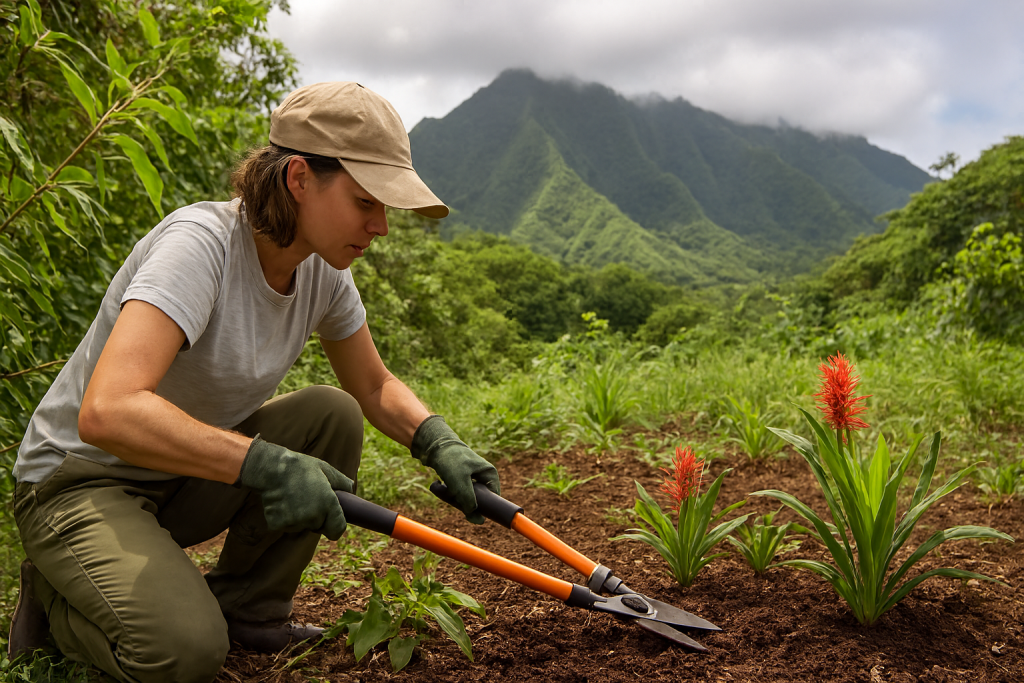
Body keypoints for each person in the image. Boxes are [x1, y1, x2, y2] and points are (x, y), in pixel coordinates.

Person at [6, 81, 500, 682]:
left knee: (331, 413)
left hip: (179, 476)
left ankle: (249, 609)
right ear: (299, 179)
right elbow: (107, 412)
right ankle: (56, 608)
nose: (381, 227)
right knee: (183, 653)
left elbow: (372, 387)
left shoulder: (322, 271)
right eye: (366, 201)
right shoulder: (200, 247)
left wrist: (436, 440)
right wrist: (265, 464)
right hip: (80, 479)